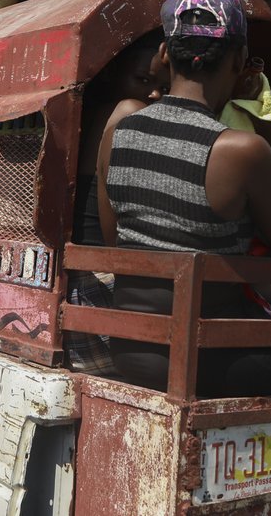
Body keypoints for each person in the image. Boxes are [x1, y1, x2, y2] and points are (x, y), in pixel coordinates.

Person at [97, 0, 271, 514]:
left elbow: (117, 244)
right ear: (242, 61)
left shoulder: (120, 125)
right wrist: (269, 130)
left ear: (164, 54)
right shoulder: (240, 149)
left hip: (131, 349)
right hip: (214, 357)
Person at [64, 34, 169, 373]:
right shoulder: (129, 113)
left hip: (85, 285)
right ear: (112, 75)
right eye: (143, 80)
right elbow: (114, 234)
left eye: (163, 88)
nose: (154, 94)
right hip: (98, 286)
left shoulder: (94, 113)